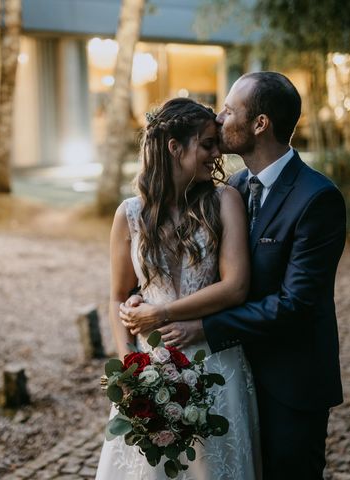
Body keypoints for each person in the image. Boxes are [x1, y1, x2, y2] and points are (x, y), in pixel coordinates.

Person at [120, 72, 346, 479]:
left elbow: (295, 304)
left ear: (260, 124)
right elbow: (178, 257)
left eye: (229, 110)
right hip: (228, 377)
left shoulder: (317, 198)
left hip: (289, 381)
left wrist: (202, 326)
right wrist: (141, 297)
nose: (219, 119)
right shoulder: (230, 189)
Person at [95, 97, 262, 479]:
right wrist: (128, 374)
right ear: (174, 147)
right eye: (207, 144)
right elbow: (118, 296)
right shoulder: (130, 214)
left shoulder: (225, 201)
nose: (216, 153)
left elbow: (236, 287)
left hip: (216, 363)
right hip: (150, 368)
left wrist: (161, 312)